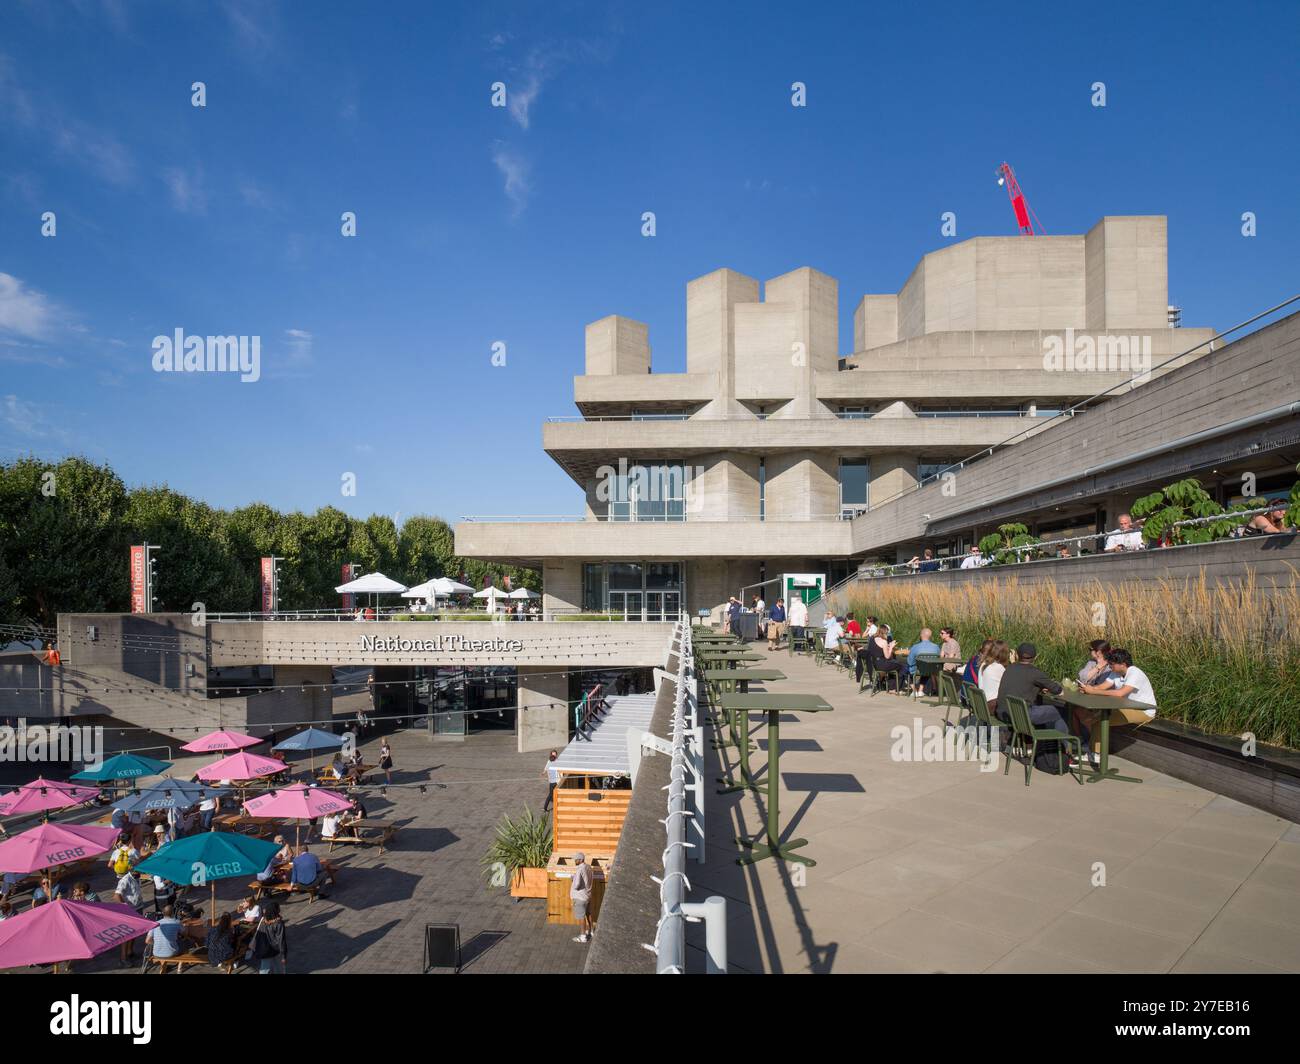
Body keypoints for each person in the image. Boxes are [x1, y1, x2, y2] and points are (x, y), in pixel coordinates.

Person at [1076, 648, 1157, 763]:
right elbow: (1102, 687)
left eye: (1112, 664)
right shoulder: (1116, 672)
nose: (1110, 666)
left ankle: (1095, 754)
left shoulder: (1135, 673)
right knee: (1094, 717)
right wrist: (1087, 689)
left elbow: (1120, 693)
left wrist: (1093, 691)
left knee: (1100, 721)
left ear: (1123, 664)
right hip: (1126, 707)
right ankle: (1093, 751)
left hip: (1143, 710)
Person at [998, 643, 1068, 733]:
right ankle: (1066, 744)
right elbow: (1058, 691)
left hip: (1003, 713)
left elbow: (1020, 684)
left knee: (1041, 708)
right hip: (1020, 716)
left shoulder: (1010, 668)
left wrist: (1038, 687)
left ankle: (1044, 742)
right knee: (1063, 711)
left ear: (1017, 655)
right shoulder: (1035, 672)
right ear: (1035, 657)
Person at [248, 901, 288, 974]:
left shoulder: (263, 921)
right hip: (276, 950)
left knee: (264, 970)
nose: (280, 909)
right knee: (278, 969)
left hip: (265, 950)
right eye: (278, 908)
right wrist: (283, 955)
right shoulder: (279, 924)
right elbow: (281, 940)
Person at [114, 869, 145, 961]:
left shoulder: (137, 877)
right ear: (133, 870)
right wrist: (125, 908)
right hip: (130, 910)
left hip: (138, 907)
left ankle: (130, 952)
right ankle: (123, 958)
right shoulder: (125, 880)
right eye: (140, 870)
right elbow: (116, 896)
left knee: (135, 932)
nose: (142, 872)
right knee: (127, 934)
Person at [977, 640, 1011, 715]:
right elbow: (1012, 682)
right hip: (991, 705)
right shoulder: (998, 668)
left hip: (983, 702)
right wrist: (1014, 662)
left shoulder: (984, 664)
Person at [906, 627, 940, 695]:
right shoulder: (936, 647)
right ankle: (921, 691)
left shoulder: (915, 647)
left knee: (904, 669)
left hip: (918, 669)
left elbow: (910, 661)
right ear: (930, 636)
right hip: (930, 669)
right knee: (926, 668)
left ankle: (914, 690)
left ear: (921, 635)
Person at [570, 852, 595, 944]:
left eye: (576, 859)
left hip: (580, 897)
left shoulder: (580, 869)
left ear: (580, 860)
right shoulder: (588, 867)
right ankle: (591, 931)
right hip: (588, 895)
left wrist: (572, 879)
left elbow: (577, 885)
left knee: (581, 916)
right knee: (588, 913)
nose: (575, 861)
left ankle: (583, 936)